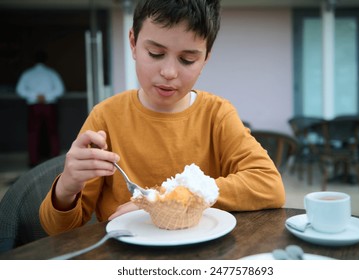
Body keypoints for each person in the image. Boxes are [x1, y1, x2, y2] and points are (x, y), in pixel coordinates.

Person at [39, 0, 285, 235]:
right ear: (133, 43)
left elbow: (268, 185)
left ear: (206, 58)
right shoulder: (106, 117)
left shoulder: (217, 115)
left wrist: (160, 200)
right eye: (156, 53)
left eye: (187, 59)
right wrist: (67, 188)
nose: (168, 72)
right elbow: (59, 231)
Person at [16, 50, 65, 167]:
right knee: (52, 132)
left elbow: (20, 90)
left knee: (33, 133)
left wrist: (35, 96)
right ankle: (56, 160)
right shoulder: (52, 73)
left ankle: (33, 160)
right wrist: (46, 97)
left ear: (33, 60)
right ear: (46, 60)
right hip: (49, 105)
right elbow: (60, 89)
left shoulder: (27, 74)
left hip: (34, 106)